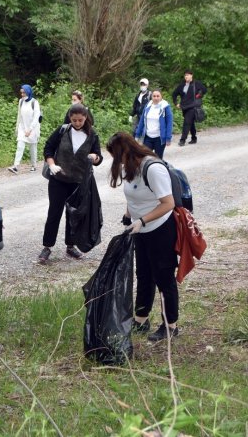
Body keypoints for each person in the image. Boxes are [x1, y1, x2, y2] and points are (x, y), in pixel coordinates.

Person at [106, 132, 180, 342]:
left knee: (163, 277)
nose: (117, 161)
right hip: (141, 229)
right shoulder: (131, 167)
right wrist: (129, 215)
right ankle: (141, 319)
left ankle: (170, 325)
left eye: (118, 156)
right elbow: (134, 196)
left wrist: (143, 220)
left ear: (127, 151)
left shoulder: (153, 168)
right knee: (144, 276)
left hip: (161, 228)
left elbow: (168, 203)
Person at [39, 104, 103, 264]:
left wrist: (95, 157)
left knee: (73, 214)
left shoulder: (92, 135)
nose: (77, 123)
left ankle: (70, 245)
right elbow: (48, 147)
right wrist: (52, 164)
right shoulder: (63, 131)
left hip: (78, 182)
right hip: (58, 179)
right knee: (54, 213)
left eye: (80, 120)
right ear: (70, 118)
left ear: (86, 118)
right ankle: (47, 246)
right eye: (74, 120)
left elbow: (99, 158)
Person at [8, 84, 41, 174]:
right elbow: (20, 116)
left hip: (33, 129)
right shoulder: (21, 101)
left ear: (28, 92)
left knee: (32, 148)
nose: (22, 94)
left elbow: (36, 118)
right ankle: (16, 166)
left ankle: (34, 165)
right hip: (22, 128)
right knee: (20, 146)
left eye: (24, 92)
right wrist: (18, 128)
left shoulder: (35, 102)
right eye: (21, 93)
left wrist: (30, 129)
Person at [134, 89, 173, 158]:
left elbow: (169, 123)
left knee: (158, 159)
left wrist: (168, 138)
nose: (156, 98)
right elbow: (142, 121)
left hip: (159, 138)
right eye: (154, 96)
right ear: (151, 97)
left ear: (161, 97)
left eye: (158, 96)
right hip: (148, 137)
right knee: (145, 157)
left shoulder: (165, 107)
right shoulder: (148, 105)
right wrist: (137, 135)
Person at [172, 70, 207, 146]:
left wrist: (199, 94)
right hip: (184, 107)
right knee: (190, 123)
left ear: (192, 75)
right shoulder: (182, 85)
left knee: (186, 122)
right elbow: (174, 94)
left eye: (188, 75)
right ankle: (194, 138)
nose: (186, 77)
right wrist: (176, 103)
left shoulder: (196, 83)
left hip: (193, 107)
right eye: (185, 75)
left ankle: (182, 140)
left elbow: (204, 90)